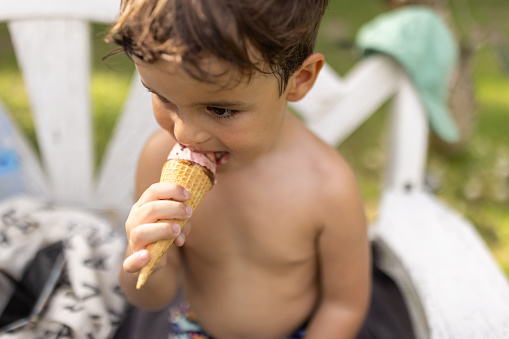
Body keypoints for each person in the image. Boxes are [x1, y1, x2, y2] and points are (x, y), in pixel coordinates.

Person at [106, 0, 371, 338]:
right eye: (163, 98)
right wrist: (141, 259)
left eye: (219, 110)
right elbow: (153, 297)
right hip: (193, 327)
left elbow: (343, 306)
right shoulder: (158, 160)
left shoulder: (328, 187)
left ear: (299, 80)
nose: (185, 134)